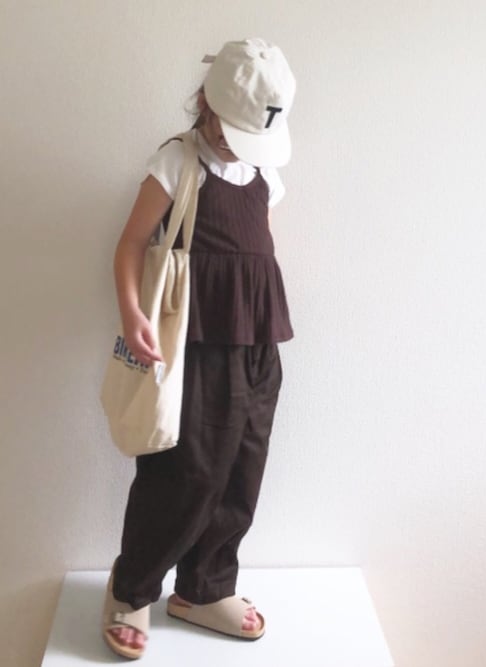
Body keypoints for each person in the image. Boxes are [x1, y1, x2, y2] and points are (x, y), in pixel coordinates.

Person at [102, 37, 296, 659]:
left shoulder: (264, 172)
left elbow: (258, 250)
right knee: (185, 471)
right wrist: (132, 313)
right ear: (209, 105)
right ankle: (132, 587)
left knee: (243, 468)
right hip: (196, 342)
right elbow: (132, 243)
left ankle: (204, 587)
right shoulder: (177, 163)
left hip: (258, 338)